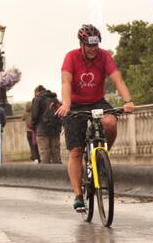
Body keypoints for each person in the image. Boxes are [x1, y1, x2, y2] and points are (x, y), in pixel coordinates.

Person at [55, 24, 135, 212]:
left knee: (110, 122)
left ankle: (101, 157)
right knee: (76, 151)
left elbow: (118, 79)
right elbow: (66, 82)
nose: (93, 49)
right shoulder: (71, 57)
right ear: (81, 44)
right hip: (74, 105)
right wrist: (66, 104)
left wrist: (128, 101)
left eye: (96, 45)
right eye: (89, 45)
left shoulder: (104, 56)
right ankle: (78, 196)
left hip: (97, 101)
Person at [31, 87, 62, 164]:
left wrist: (34, 125)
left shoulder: (37, 99)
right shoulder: (54, 98)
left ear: (37, 92)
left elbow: (34, 115)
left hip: (42, 129)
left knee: (44, 151)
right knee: (56, 151)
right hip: (55, 128)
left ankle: (46, 173)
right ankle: (58, 172)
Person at [23, 87, 42, 164]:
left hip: (28, 131)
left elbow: (22, 119)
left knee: (31, 145)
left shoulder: (25, 113)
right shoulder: (34, 112)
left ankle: (34, 157)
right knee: (36, 145)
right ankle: (38, 157)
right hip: (34, 130)